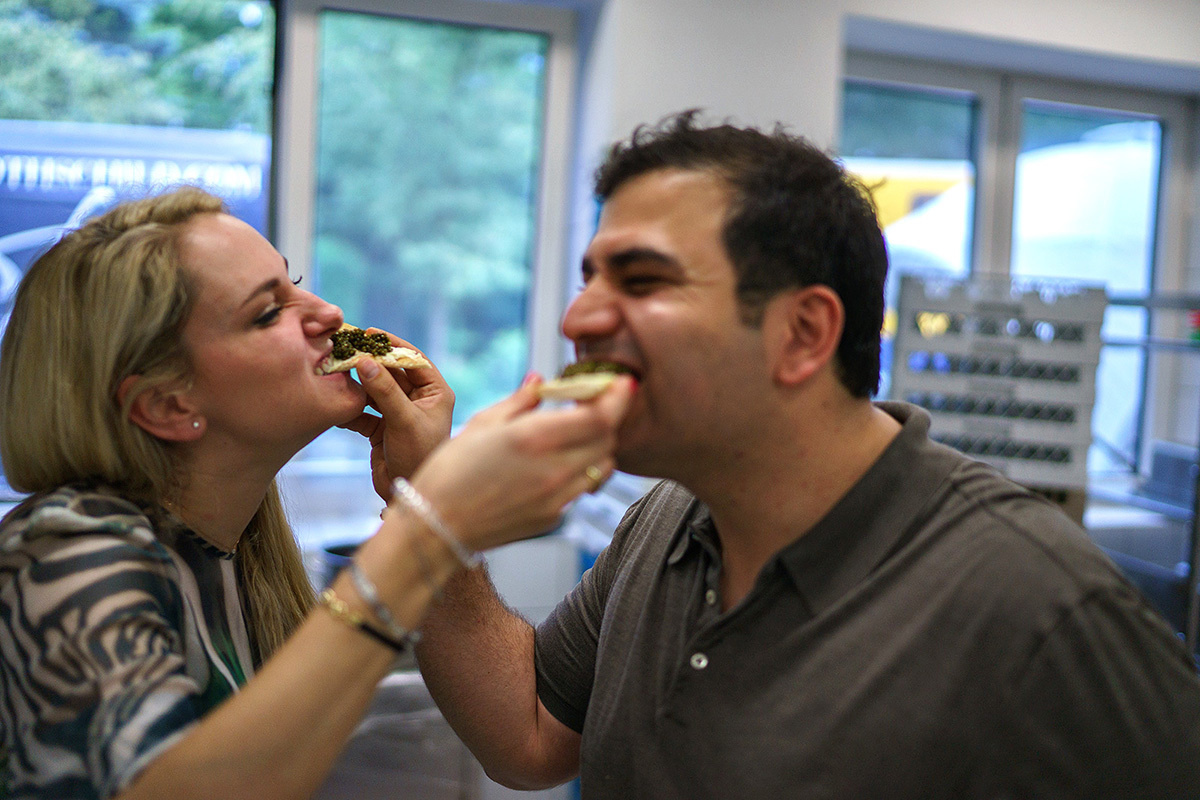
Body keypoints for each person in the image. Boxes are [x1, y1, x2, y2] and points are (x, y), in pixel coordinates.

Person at [411, 110, 1200, 799]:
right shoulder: (669, 519)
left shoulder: (1043, 608)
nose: (578, 317)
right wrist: (426, 494)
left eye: (642, 279)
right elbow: (530, 735)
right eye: (589, 278)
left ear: (804, 334)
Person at [0, 186, 634, 800]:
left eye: (293, 281)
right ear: (168, 404)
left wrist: (419, 490)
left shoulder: (234, 552)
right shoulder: (66, 552)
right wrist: (432, 525)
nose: (330, 315)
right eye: (268, 311)